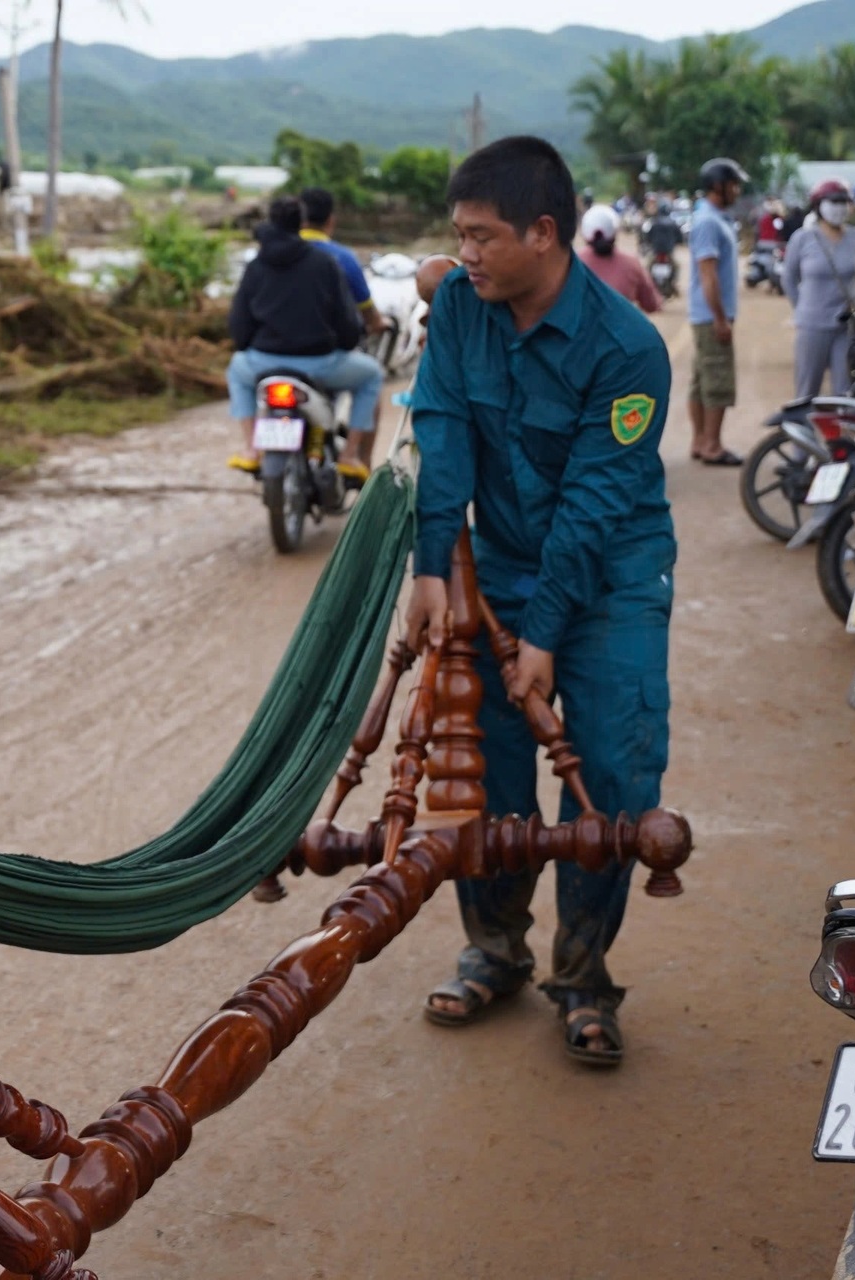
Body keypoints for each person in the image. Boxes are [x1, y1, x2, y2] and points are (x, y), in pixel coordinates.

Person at [408, 136, 674, 1069]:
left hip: (611, 582)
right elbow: (439, 423)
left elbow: (597, 503)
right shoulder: (458, 307)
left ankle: (584, 976)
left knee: (611, 779)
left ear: (545, 233)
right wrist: (431, 559)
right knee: (488, 774)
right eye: (460, 237)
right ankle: (495, 949)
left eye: (482, 237)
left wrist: (547, 634)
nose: (466, 254)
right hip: (499, 572)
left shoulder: (628, 350)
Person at [226, 195, 381, 480]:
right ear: (301, 222)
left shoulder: (257, 264)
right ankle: (350, 457)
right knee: (372, 375)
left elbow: (238, 323)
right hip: (320, 364)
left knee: (236, 370)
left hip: (263, 364)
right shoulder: (325, 263)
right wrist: (346, 343)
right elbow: (347, 321)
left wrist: (247, 346)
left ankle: (250, 449)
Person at [299, 186, 389, 469]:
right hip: (326, 356)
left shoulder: (274, 254)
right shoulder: (342, 258)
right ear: (331, 220)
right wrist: (378, 324)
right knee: (372, 378)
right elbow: (368, 313)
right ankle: (355, 458)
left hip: (272, 355)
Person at [783, 179, 855, 399]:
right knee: (807, 390)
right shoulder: (802, 239)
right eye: (834, 201)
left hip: (846, 327)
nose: (840, 207)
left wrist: (854, 300)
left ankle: (841, 434)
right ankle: (802, 431)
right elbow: (789, 279)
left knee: (845, 391)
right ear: (818, 205)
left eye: (844, 201)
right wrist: (802, 308)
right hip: (812, 326)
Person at [687, 157, 746, 465]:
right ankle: (712, 445)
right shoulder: (709, 222)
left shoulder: (715, 217)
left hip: (705, 315)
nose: (737, 190)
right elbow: (708, 276)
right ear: (718, 187)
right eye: (733, 184)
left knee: (701, 381)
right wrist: (721, 319)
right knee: (717, 381)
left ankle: (699, 441)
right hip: (711, 316)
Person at [577, 205, 661, 313]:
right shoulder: (632, 264)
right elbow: (651, 304)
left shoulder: (571, 263)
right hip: (621, 328)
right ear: (615, 231)